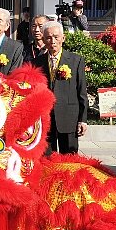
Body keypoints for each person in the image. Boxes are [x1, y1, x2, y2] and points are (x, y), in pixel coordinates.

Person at [33, 21, 88, 154]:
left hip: (69, 117)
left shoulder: (76, 60)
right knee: (46, 158)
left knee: (69, 159)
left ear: (63, 38)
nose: (53, 41)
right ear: (43, 40)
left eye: (56, 37)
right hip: (45, 119)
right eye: (48, 38)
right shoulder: (37, 63)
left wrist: (83, 120)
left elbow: (82, 92)